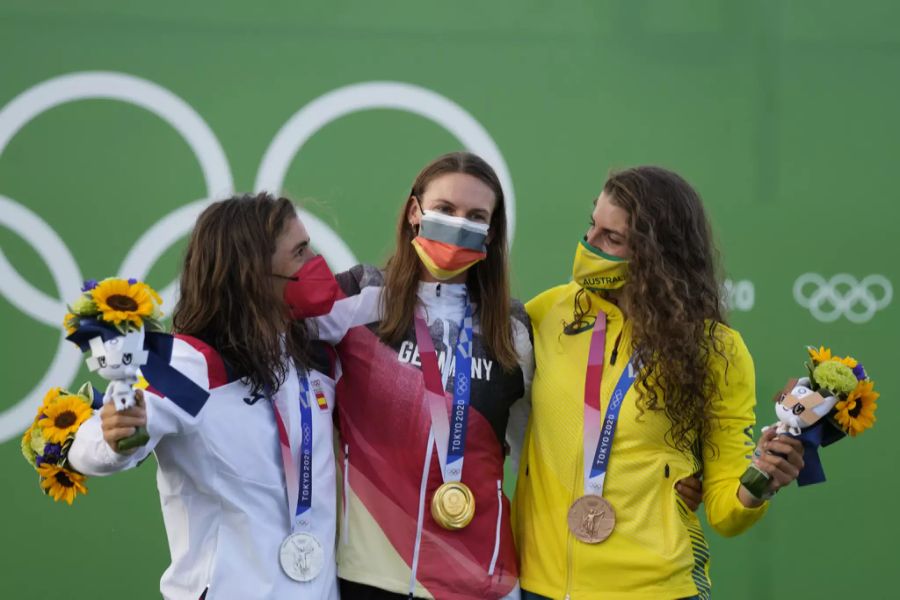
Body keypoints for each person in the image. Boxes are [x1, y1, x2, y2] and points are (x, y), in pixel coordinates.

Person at [513, 166, 805, 600]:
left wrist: (762, 478)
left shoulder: (716, 350)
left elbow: (726, 510)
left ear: (658, 256)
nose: (589, 244)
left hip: (654, 587)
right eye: (591, 224)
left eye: (612, 239)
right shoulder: (549, 312)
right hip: (538, 584)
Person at [68, 193, 341, 599]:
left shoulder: (315, 353)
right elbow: (85, 450)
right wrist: (114, 438)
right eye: (300, 252)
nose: (316, 262)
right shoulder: (194, 366)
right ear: (251, 273)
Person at [312, 152, 533, 599]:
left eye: (475, 216)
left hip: (482, 578)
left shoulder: (512, 331)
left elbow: (541, 453)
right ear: (415, 212)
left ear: (490, 232)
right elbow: (260, 339)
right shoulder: (357, 298)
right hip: (370, 575)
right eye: (446, 210)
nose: (458, 225)